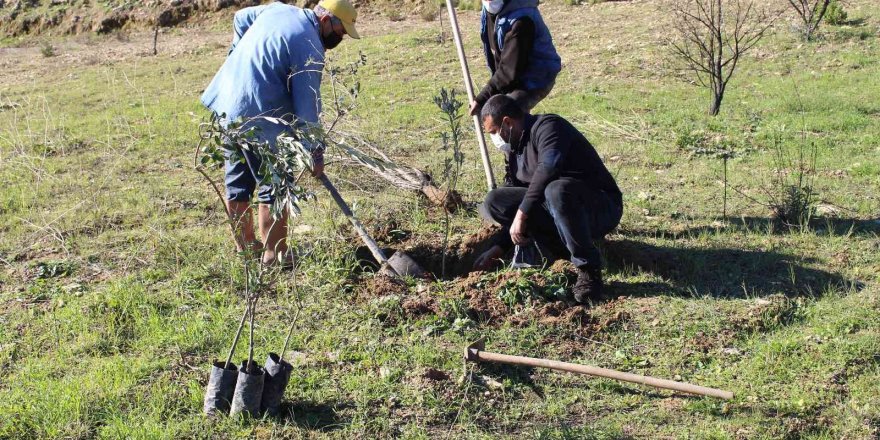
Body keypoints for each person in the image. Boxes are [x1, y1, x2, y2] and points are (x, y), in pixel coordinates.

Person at [200, 0, 360, 266]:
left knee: (238, 183)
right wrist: (315, 151)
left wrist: (237, 54)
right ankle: (274, 255)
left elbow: (240, 18)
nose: (340, 38)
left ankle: (247, 249)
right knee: (274, 185)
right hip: (259, 115)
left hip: (227, 102)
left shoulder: (277, 9)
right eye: (341, 31)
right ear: (325, 21)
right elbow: (307, 105)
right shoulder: (309, 45)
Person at [473, 95, 623, 303]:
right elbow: (516, 198)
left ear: (507, 122)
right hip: (558, 210)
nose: (495, 139)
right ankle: (556, 248)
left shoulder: (549, 127)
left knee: (556, 189)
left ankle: (589, 272)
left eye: (494, 132)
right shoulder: (515, 151)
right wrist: (499, 246)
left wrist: (522, 215)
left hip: (600, 207)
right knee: (495, 201)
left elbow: (549, 167)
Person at [469, 0, 561, 118]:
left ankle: (532, 132)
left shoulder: (521, 20)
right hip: (513, 73)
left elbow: (509, 71)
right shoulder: (490, 8)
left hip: (536, 77)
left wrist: (482, 98)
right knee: (497, 113)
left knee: (502, 116)